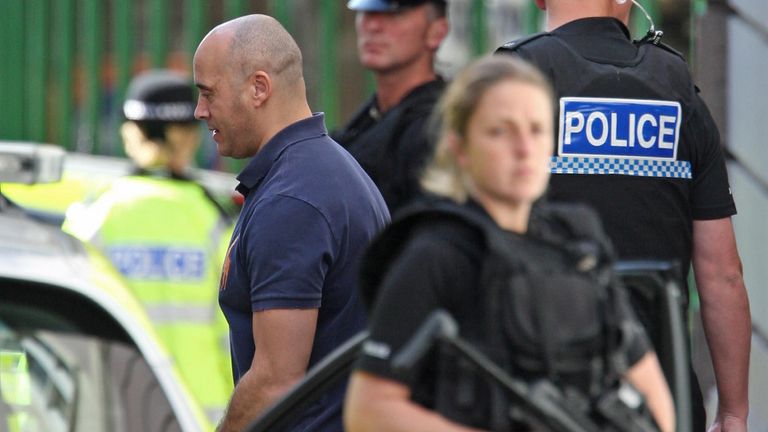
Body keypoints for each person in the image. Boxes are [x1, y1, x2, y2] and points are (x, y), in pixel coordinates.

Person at [344, 55, 674, 432]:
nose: (523, 148)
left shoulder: (578, 241)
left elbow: (651, 390)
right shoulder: (436, 254)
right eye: (501, 131)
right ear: (460, 148)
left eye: (537, 130)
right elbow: (368, 410)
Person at [495, 2, 751, 431]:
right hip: (663, 406)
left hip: (543, 402)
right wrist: (734, 412)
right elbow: (723, 274)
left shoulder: (514, 79)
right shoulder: (679, 89)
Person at [192, 14, 390, 432]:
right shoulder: (325, 171)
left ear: (258, 88)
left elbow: (274, 382)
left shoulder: (292, 201)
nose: (199, 111)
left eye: (208, 93)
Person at [62, 69, 235, 427]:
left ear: (131, 133)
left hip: (114, 411)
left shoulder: (94, 214)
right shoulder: (213, 220)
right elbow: (233, 332)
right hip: (197, 417)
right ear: (187, 137)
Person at [331, 0, 449, 215]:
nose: (373, 27)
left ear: (437, 32)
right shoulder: (371, 117)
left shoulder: (438, 126)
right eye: (366, 12)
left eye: (394, 15)